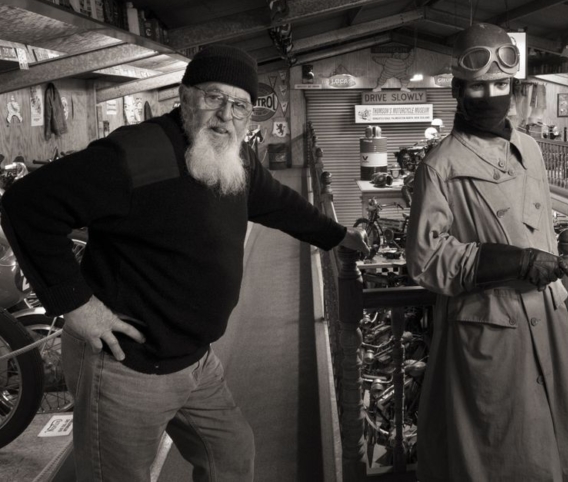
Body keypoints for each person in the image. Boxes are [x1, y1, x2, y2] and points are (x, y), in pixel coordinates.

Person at [0, 45, 368, 481]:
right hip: (127, 366)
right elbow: (26, 206)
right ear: (185, 95)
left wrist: (337, 236)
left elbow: (279, 203)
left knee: (231, 457)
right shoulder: (135, 155)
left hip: (195, 359)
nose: (226, 115)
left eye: (240, 105)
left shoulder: (236, 157)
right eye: (214, 97)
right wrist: (76, 304)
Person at [405, 23, 568, 481]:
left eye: (502, 85)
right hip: (490, 325)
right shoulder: (440, 166)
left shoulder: (529, 148)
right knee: (495, 447)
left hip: (545, 320)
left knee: (549, 441)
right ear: (459, 90)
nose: (492, 95)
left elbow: (540, 223)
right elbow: (426, 260)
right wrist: (516, 262)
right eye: (479, 86)